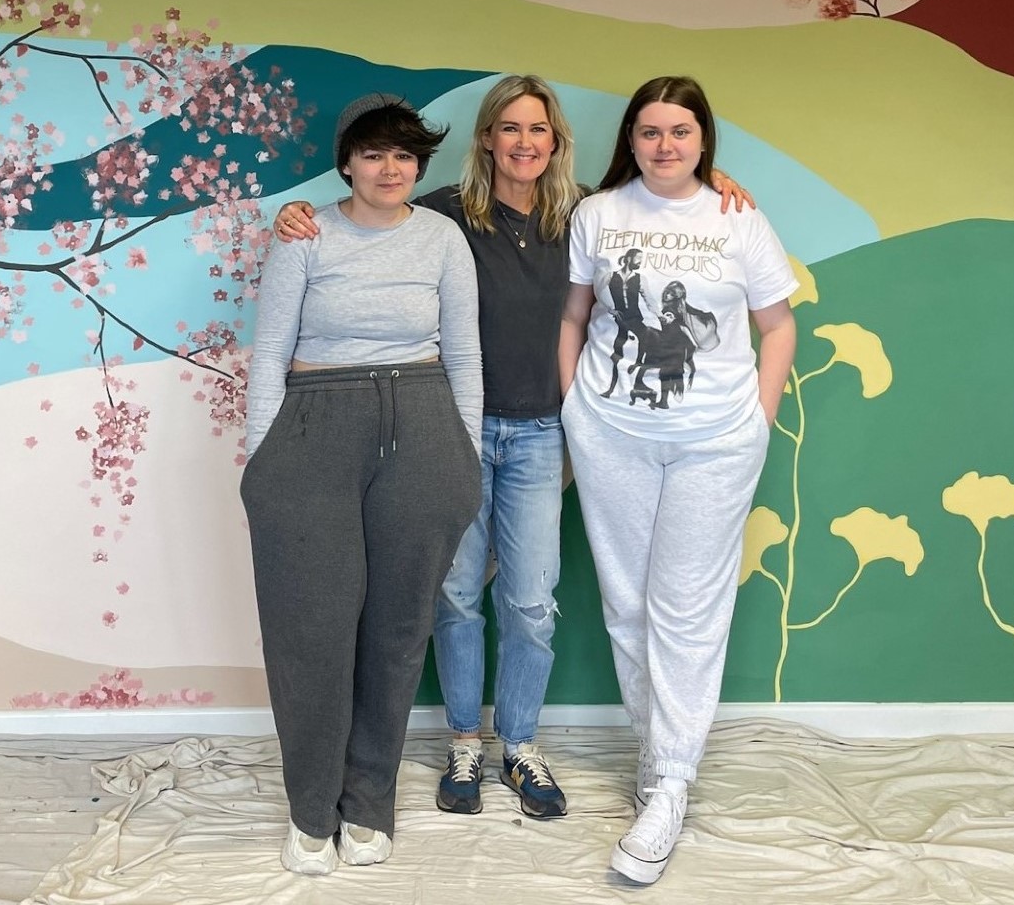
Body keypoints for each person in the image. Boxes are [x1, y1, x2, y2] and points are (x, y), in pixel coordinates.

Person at [273, 75, 753, 822]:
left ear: (555, 141)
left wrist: (714, 179)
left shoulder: (588, 216)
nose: (524, 142)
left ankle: (519, 744)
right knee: (457, 597)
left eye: (539, 130)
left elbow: (660, 197)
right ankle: (465, 740)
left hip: (543, 433)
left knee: (529, 601)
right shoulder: (441, 218)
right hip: (448, 427)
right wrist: (296, 213)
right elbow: (365, 216)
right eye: (509, 129)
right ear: (487, 139)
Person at [557, 75, 796, 886]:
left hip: (714, 444)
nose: (665, 146)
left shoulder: (738, 217)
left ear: (704, 141)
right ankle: (656, 757)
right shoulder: (599, 214)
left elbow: (778, 324)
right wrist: (573, 410)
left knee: (687, 609)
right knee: (626, 605)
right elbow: (576, 315)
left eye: (680, 132)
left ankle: (671, 786)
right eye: (650, 131)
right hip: (612, 436)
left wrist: (756, 420)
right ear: (630, 139)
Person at [241, 92, 484, 876]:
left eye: (405, 155)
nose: (390, 168)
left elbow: (466, 356)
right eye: (375, 153)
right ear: (347, 160)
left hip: (422, 423)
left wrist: (466, 457)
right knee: (310, 630)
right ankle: (311, 809)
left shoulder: (443, 238)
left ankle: (368, 802)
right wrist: (259, 463)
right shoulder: (305, 234)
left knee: (397, 628)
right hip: (315, 424)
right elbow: (270, 350)